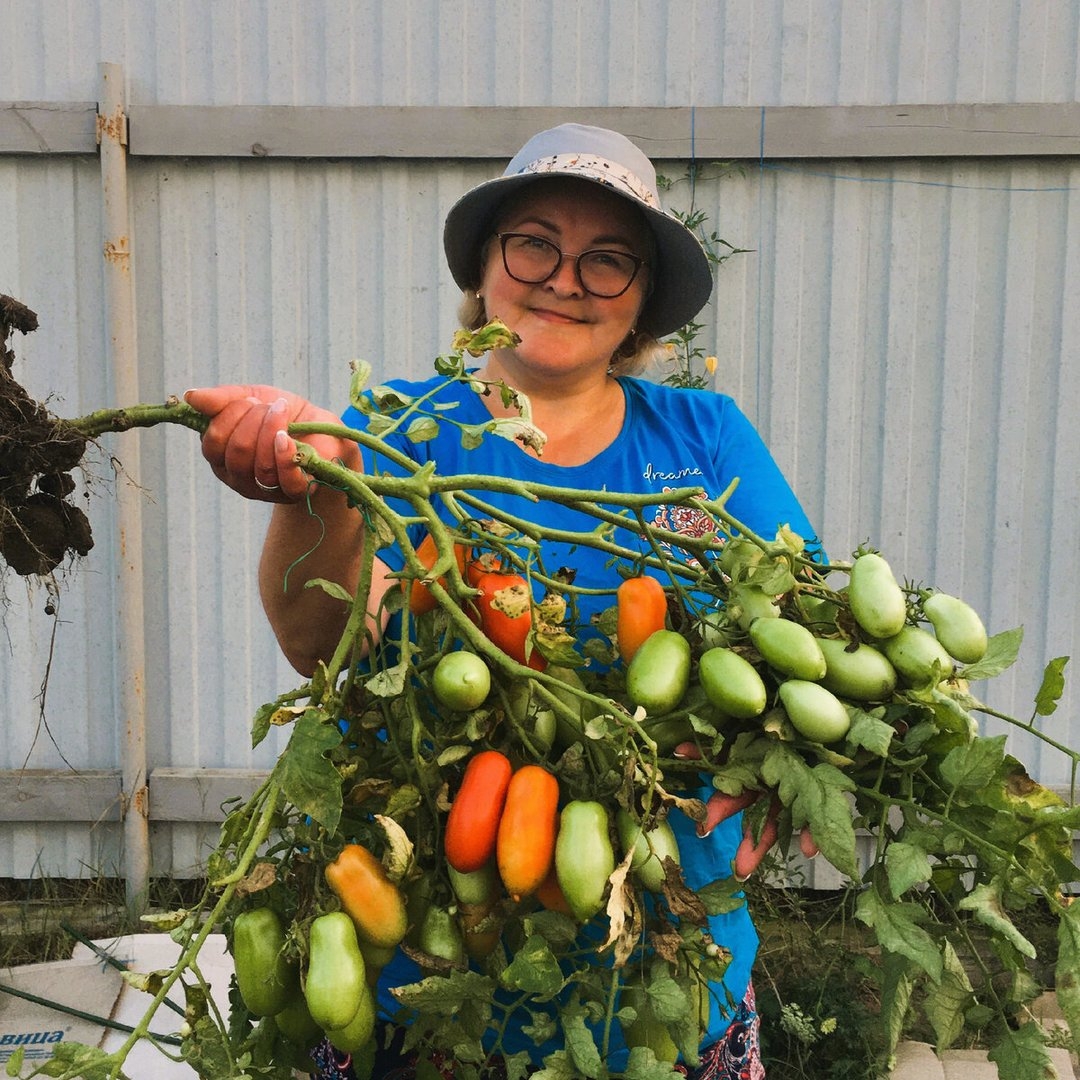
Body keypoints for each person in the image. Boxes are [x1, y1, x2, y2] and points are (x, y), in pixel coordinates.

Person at [186, 123, 820, 1080]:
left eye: (608, 260)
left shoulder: (706, 438)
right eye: (534, 245)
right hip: (425, 976)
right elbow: (319, 646)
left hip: (666, 973)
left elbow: (804, 621)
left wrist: (785, 754)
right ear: (485, 269)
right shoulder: (394, 432)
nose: (565, 280)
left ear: (641, 302)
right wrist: (316, 485)